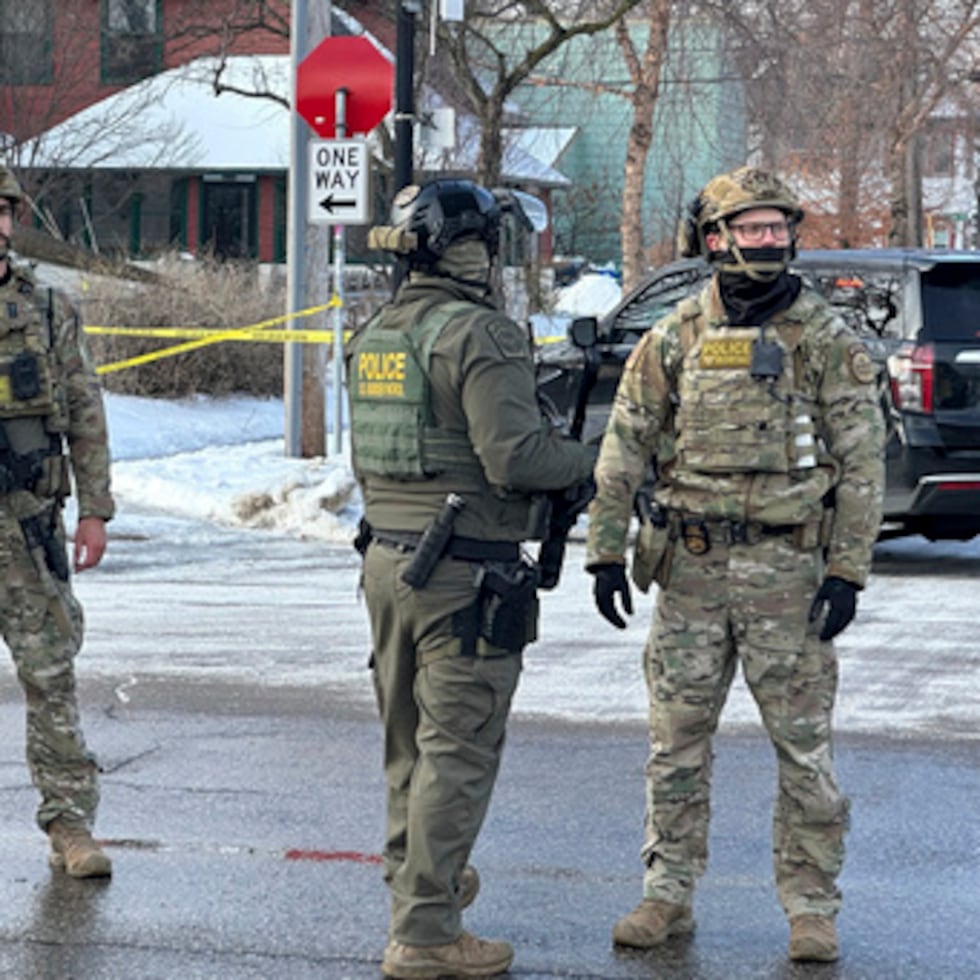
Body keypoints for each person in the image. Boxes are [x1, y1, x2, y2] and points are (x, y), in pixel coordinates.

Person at [586, 166, 885, 962]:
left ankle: (811, 907)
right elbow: (625, 445)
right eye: (749, 228)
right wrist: (605, 551)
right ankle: (667, 895)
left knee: (803, 749)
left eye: (776, 227)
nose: (767, 240)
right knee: (675, 743)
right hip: (688, 572)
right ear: (714, 238)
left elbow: (861, 465)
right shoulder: (677, 333)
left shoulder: (823, 338)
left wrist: (847, 571)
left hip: (788, 575)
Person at [348, 178, 595, 979]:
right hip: (463, 574)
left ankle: (424, 881)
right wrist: (597, 461)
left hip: (389, 562)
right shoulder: (479, 334)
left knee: (408, 749)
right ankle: (425, 933)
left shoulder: (378, 330)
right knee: (458, 749)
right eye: (492, 243)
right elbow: (516, 458)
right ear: (471, 248)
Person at [0, 167, 114, 878]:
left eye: (3, 211)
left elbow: (86, 412)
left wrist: (96, 508)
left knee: (51, 676)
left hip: (28, 526)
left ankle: (70, 824)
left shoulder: (47, 309)